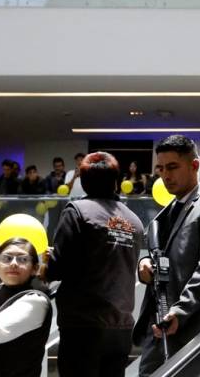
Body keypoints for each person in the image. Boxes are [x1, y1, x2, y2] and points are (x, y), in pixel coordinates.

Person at [134, 135, 200, 376]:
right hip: (159, 329)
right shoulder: (165, 214)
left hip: (198, 330)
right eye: (160, 169)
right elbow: (161, 257)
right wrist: (144, 264)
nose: (165, 176)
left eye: (172, 167)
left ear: (194, 166)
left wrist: (181, 310)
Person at [45, 152, 144, 377]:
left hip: (83, 325)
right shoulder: (134, 220)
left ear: (84, 182)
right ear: (116, 182)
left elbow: (57, 268)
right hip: (122, 327)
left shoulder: (77, 211)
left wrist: (47, 261)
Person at [0, 238, 52, 377]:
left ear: (34, 269)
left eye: (22, 259)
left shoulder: (36, 299)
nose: (13, 264)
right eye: (7, 258)